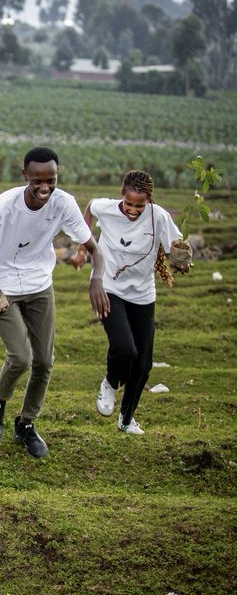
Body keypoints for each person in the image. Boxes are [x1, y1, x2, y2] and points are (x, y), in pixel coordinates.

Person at [0, 146, 109, 459]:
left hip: (40, 285)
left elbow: (94, 249)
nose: (45, 186)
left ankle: (26, 424)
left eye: (51, 179)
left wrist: (96, 279)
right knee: (20, 357)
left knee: (44, 361)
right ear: (24, 176)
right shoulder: (2, 207)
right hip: (1, 285)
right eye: (37, 180)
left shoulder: (63, 204)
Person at [73, 169, 182, 435]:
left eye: (140, 205)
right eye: (129, 203)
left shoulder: (160, 218)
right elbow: (89, 208)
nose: (133, 210)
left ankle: (125, 419)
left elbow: (176, 247)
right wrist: (81, 248)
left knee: (143, 365)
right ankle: (109, 383)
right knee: (124, 349)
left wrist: (181, 260)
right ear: (122, 194)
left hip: (143, 293)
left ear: (149, 201)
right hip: (109, 287)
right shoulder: (108, 209)